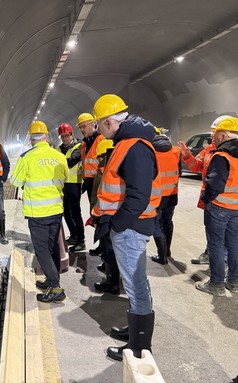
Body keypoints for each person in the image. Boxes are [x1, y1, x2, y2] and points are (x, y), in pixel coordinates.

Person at [91, 94, 161, 361]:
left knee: (136, 285)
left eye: (99, 124)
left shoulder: (135, 148)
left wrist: (118, 226)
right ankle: (134, 333)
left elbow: (138, 196)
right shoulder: (125, 143)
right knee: (134, 284)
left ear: (109, 122)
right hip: (128, 227)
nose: (98, 129)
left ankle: (139, 347)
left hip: (131, 227)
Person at [10, 120, 69, 303]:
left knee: (41, 250)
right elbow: (65, 176)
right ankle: (52, 281)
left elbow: (15, 182)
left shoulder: (26, 158)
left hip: (38, 213)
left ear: (30, 139)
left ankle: (55, 286)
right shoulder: (58, 156)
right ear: (46, 137)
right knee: (51, 247)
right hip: (56, 211)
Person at [177, 115, 232, 264]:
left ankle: (223, 262)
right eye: (212, 131)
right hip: (210, 199)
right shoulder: (209, 150)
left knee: (227, 236)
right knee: (211, 231)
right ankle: (210, 254)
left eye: (215, 131)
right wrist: (187, 156)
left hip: (224, 201)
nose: (213, 135)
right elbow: (196, 166)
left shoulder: (230, 152)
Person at [195, 116, 238, 296]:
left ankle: (217, 284)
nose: (215, 138)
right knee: (234, 244)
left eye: (216, 134)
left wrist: (206, 198)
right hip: (236, 209)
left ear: (223, 135)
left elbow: (214, 184)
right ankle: (234, 282)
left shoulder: (221, 155)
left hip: (219, 207)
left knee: (216, 245)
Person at [90, 139, 121, 295]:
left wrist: (96, 215)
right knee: (110, 248)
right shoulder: (111, 168)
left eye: (101, 156)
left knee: (110, 249)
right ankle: (111, 272)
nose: (99, 160)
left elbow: (102, 196)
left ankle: (112, 283)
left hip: (107, 215)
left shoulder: (107, 172)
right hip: (110, 214)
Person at [150, 128, 181, 264]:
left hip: (156, 194)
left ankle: (161, 256)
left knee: (155, 224)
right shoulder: (175, 151)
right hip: (172, 194)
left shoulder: (150, 151)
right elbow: (179, 171)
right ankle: (167, 251)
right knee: (168, 221)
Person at [78, 113, 105, 254]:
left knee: (101, 215)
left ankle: (104, 247)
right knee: (95, 214)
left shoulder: (100, 139)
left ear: (92, 124)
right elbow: (85, 164)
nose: (82, 129)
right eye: (80, 127)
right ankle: (102, 245)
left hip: (99, 183)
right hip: (89, 182)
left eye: (84, 126)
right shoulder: (85, 143)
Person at [57, 123, 85, 251]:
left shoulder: (78, 147)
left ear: (71, 134)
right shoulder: (59, 149)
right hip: (63, 184)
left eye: (66, 136)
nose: (65, 139)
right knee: (66, 213)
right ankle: (73, 236)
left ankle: (81, 240)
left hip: (74, 183)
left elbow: (71, 162)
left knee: (75, 213)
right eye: (62, 136)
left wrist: (59, 160)